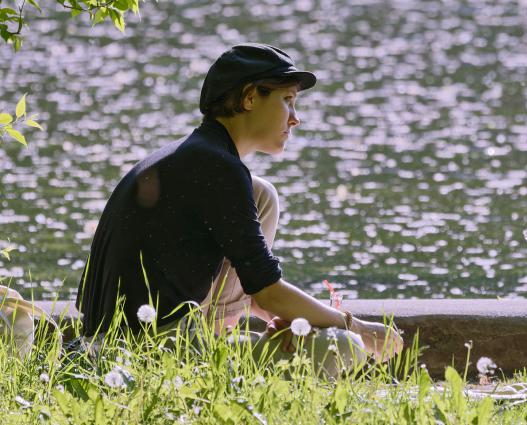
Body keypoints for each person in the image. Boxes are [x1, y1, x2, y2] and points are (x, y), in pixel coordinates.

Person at [76, 43, 403, 363]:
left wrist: (293, 317)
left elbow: (260, 290)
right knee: (342, 345)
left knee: (262, 194)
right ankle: (218, 367)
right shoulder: (217, 167)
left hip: (128, 340)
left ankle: (220, 339)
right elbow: (268, 292)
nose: (295, 119)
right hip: (145, 353)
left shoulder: (199, 156)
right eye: (287, 100)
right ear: (249, 97)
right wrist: (353, 325)